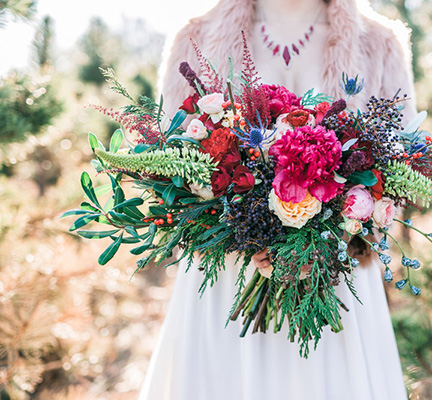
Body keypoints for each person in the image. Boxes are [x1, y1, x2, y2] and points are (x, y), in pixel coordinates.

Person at [138, 0, 417, 399]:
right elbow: (170, 168)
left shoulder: (380, 44)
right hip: (227, 282)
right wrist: (236, 232)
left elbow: (402, 172)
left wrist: (332, 239)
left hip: (335, 278)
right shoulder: (195, 37)